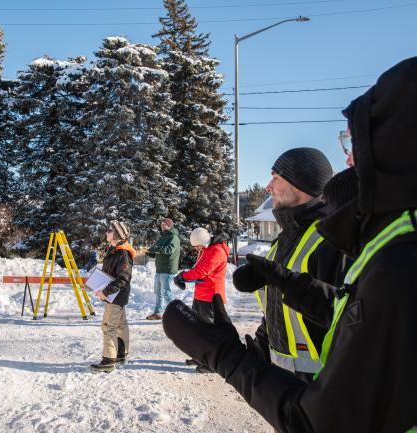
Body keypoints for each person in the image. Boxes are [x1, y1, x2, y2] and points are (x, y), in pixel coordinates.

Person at [162, 57, 417, 432]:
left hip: (314, 387)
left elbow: (326, 418)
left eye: (275, 178)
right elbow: (341, 311)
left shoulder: (380, 251)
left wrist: (224, 355)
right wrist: (263, 339)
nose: (349, 157)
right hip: (290, 386)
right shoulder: (290, 241)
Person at [247, 147, 339, 379]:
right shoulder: (283, 241)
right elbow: (276, 306)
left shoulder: (332, 239)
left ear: (300, 184)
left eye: (276, 178)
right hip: (285, 375)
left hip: (322, 382)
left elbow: (345, 316)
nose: (268, 187)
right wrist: (260, 347)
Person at [174, 227, 230, 372]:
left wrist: (183, 276)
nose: (197, 249)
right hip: (202, 294)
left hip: (211, 296)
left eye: (197, 246)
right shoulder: (207, 250)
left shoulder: (217, 251)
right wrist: (185, 274)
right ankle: (200, 356)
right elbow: (198, 268)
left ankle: (210, 363)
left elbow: (202, 271)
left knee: (209, 332)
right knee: (197, 328)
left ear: (203, 242)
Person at [90, 220, 136, 373]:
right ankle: (121, 354)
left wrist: (106, 291)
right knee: (121, 324)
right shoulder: (114, 249)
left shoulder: (123, 253)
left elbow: (123, 278)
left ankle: (109, 360)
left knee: (109, 326)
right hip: (114, 296)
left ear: (116, 234)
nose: (106, 232)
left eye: (109, 230)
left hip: (116, 296)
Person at [145, 217, 181, 320]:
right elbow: (159, 251)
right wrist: (150, 252)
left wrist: (156, 249)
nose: (162, 226)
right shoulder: (163, 237)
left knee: (166, 293)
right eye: (161, 224)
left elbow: (169, 250)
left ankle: (176, 314)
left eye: (164, 224)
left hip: (168, 269)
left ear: (169, 225)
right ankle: (157, 313)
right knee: (158, 293)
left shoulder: (173, 237)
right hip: (160, 269)